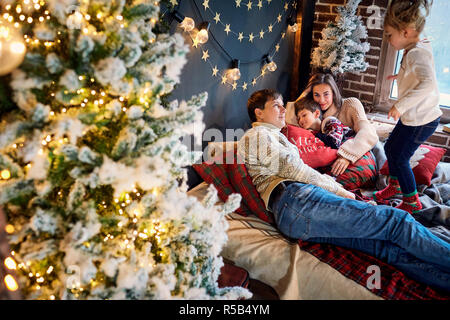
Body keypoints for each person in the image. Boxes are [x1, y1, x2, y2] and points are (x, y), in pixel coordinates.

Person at [238, 89, 450, 292]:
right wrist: (344, 193)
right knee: (396, 221)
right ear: (259, 112)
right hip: (296, 200)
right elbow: (293, 170)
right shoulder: (257, 135)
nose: (284, 110)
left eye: (283, 105)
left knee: (383, 247)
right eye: (276, 105)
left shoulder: (276, 136)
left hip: (295, 214)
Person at [373, 0, 442, 214]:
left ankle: (412, 200)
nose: (388, 39)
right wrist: (402, 75)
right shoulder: (417, 45)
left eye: (389, 34)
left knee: (401, 157)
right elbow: (420, 71)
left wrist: (400, 105)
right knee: (389, 148)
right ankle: (395, 185)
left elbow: (428, 83)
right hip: (414, 117)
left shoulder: (416, 53)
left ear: (404, 32)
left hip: (422, 120)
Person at [286, 73, 379, 177]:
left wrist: (347, 156)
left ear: (334, 93)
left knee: (378, 148)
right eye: (316, 95)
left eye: (326, 94)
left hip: (356, 145)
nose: (321, 100)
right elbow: (289, 120)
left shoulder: (350, 104)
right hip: (332, 155)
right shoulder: (311, 112)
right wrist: (306, 91)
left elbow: (368, 132)